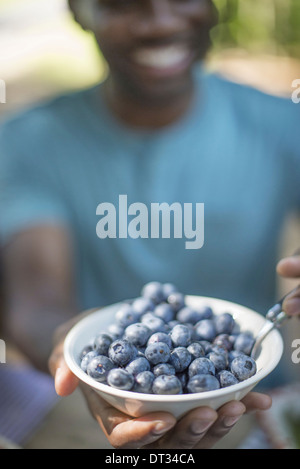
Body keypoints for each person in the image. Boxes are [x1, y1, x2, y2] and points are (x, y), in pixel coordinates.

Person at [0, 0, 299, 449]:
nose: (160, 21)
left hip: (261, 406)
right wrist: (78, 360)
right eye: (123, 1)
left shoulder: (281, 125)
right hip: (90, 418)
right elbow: (36, 299)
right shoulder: (28, 143)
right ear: (78, 11)